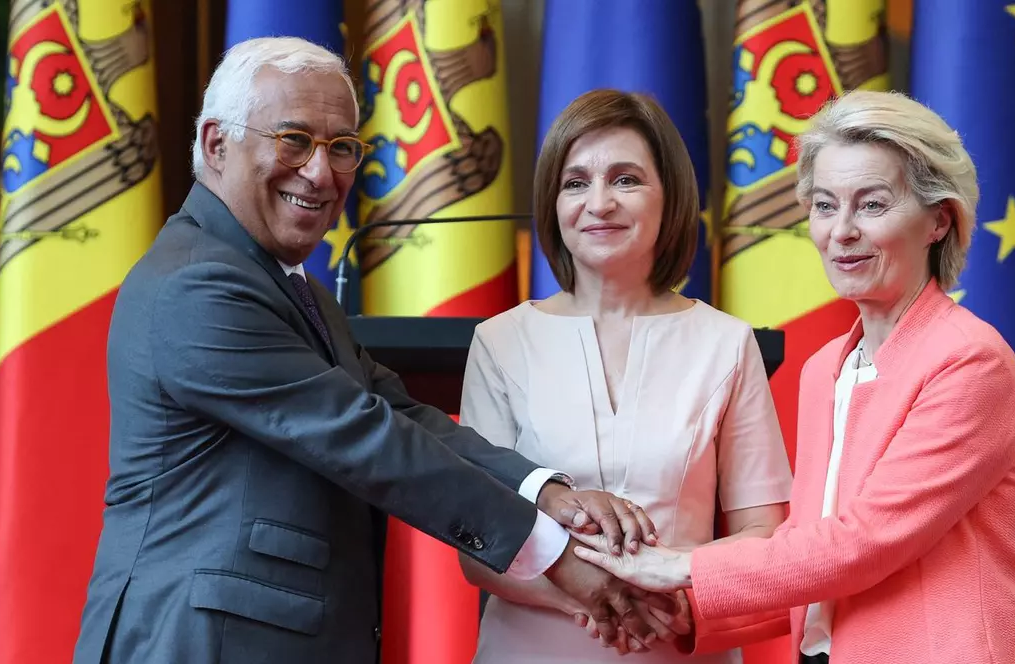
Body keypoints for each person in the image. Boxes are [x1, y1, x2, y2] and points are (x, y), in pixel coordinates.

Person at [72, 37, 668, 664]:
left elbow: (400, 415)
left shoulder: (290, 286)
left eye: (341, 147)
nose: (320, 172)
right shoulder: (198, 282)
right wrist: (554, 554)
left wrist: (544, 492)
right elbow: (364, 436)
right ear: (217, 144)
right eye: (294, 139)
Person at [572, 89, 1015, 664]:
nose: (840, 231)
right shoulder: (825, 368)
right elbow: (808, 556)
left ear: (938, 221)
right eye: (824, 205)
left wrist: (678, 565)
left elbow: (862, 543)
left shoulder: (970, 360)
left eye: (871, 205)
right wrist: (681, 609)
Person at [457, 89, 793, 664]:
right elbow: (476, 541)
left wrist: (678, 597)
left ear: (670, 198)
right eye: (575, 182)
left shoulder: (727, 343)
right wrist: (595, 599)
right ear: (553, 203)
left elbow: (764, 532)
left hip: (680, 642)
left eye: (626, 179)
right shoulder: (499, 340)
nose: (599, 202)